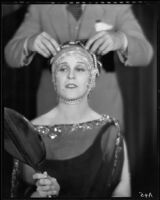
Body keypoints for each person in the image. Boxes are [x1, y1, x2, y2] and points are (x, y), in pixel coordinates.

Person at [4, 4, 153, 132]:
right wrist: (28, 42)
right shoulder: (40, 7)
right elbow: (10, 55)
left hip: (103, 106)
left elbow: (146, 53)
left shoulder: (116, 6)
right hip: (52, 107)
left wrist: (121, 40)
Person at [10, 42, 131, 198]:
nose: (71, 75)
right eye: (63, 68)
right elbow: (20, 192)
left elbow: (122, 192)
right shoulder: (29, 132)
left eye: (79, 69)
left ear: (92, 77)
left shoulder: (110, 132)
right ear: (54, 78)